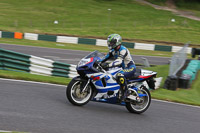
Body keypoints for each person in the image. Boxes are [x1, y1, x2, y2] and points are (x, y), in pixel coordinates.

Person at [99, 34, 136, 100]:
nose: (110, 44)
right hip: (122, 68)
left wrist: (107, 65)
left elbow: (119, 61)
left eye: (112, 42)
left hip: (130, 68)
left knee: (119, 75)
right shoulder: (113, 50)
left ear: (117, 42)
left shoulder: (123, 50)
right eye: (109, 42)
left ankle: (126, 92)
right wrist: (98, 62)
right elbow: (105, 57)